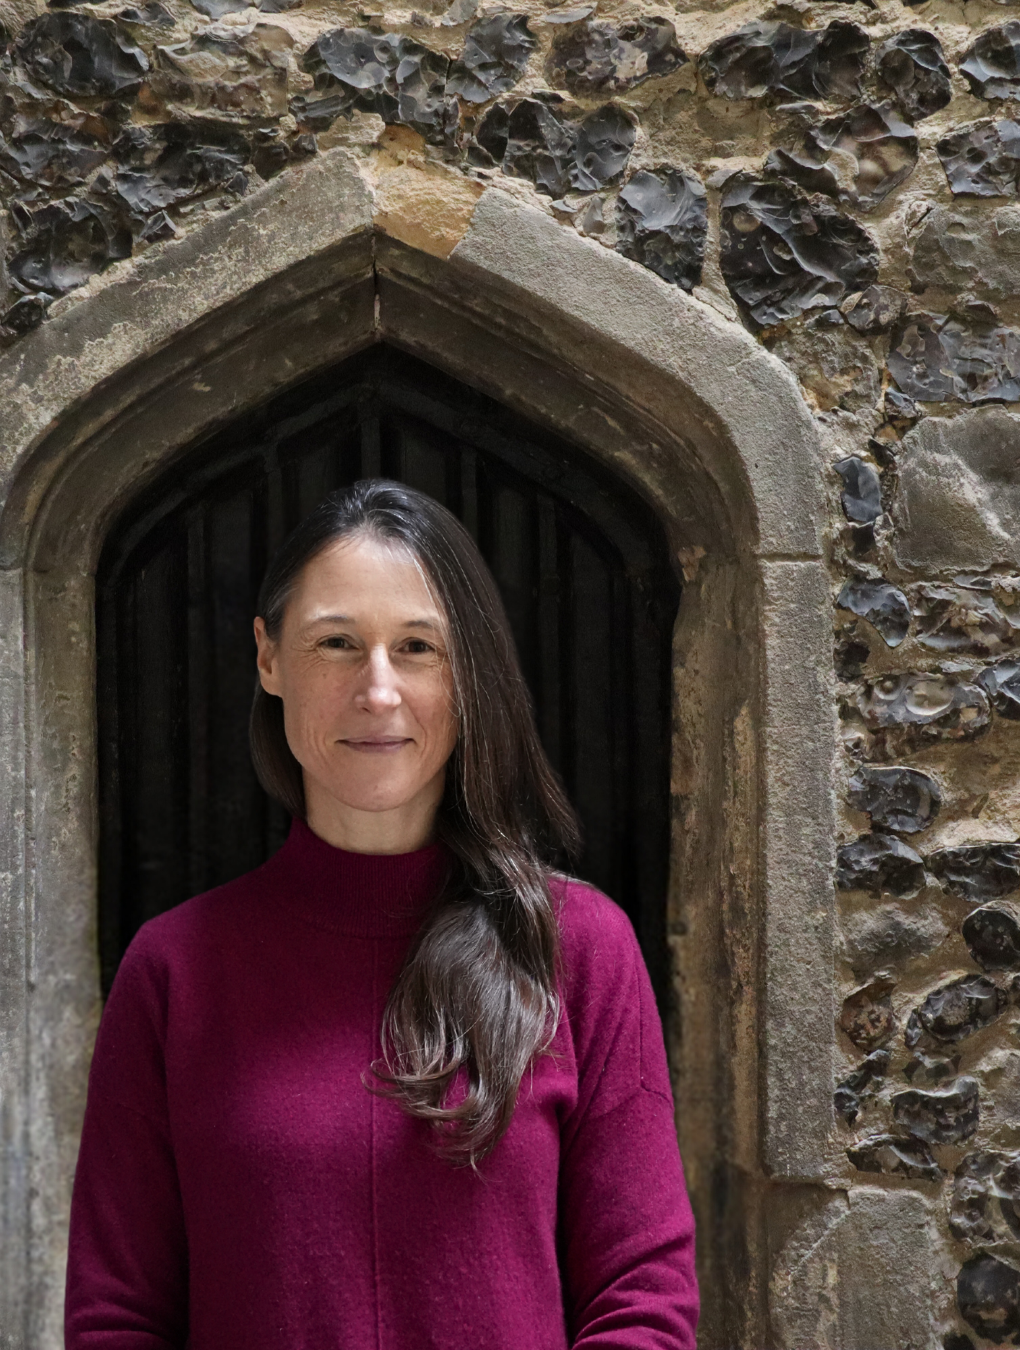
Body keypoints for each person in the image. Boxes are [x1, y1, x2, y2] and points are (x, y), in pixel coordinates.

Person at [65, 479, 699, 1349]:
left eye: (417, 647)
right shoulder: (173, 970)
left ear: (467, 672)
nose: (378, 690)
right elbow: (117, 1317)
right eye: (336, 643)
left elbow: (643, 1297)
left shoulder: (577, 948)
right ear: (268, 658)